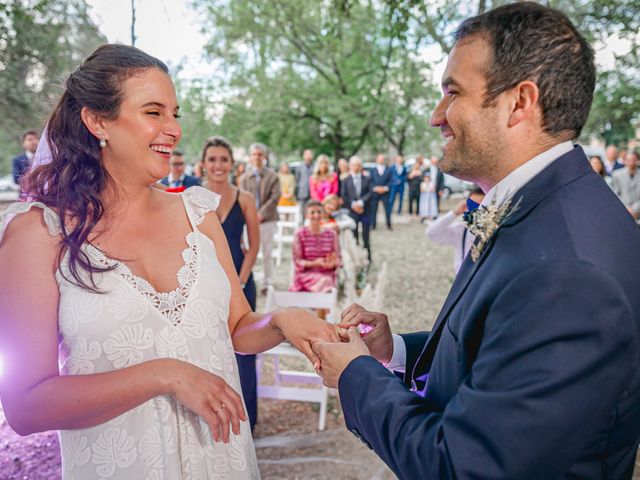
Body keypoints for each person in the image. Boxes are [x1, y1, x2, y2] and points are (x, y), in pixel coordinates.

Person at [311, 4, 640, 479]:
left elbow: (464, 467)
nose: (436, 116)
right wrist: (392, 353)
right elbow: (505, 347)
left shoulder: (568, 271)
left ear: (519, 102)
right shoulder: (542, 205)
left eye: (452, 93)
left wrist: (354, 375)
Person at [0, 44, 338, 480]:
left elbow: (237, 328)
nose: (173, 129)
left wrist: (281, 321)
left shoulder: (199, 215)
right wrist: (164, 375)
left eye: (175, 113)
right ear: (97, 120)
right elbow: (26, 405)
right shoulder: (39, 233)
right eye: (154, 112)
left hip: (221, 461)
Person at [200, 136, 261, 432]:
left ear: (232, 165)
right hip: (206, 286)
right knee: (210, 348)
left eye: (223, 159)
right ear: (203, 164)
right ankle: (217, 416)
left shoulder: (245, 199)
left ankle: (248, 418)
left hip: (241, 281)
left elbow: (254, 245)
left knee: (245, 351)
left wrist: (240, 280)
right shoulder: (192, 197)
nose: (218, 165)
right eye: (212, 159)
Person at [240, 143, 281, 294]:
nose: (257, 157)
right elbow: (242, 197)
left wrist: (261, 214)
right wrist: (250, 215)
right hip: (249, 221)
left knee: (267, 251)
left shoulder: (272, 176)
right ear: (250, 157)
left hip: (268, 220)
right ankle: (248, 279)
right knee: (249, 252)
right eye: (254, 154)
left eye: (259, 154)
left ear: (264, 157)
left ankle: (267, 282)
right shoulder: (244, 178)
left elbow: (275, 197)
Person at [426, 186, 484, 273]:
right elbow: (431, 232)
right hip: (463, 277)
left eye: (480, 206)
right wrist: (454, 213)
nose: (475, 211)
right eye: (471, 205)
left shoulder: (497, 231)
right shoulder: (461, 229)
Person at [290, 200, 341, 295]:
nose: (316, 215)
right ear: (306, 215)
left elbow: (338, 258)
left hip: (327, 275)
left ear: (323, 214)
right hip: (305, 276)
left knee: (327, 281)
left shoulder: (332, 234)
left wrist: (333, 263)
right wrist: (315, 263)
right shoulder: (300, 234)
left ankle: (321, 308)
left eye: (319, 212)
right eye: (312, 212)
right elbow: (297, 261)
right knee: (325, 282)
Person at [340, 156, 372, 262]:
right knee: (354, 234)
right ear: (350, 166)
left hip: (365, 211)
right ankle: (356, 256)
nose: (356, 167)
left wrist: (361, 203)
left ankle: (368, 256)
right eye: (354, 165)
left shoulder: (367, 179)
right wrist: (353, 204)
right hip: (352, 211)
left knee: (366, 234)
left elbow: (370, 192)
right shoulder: (345, 180)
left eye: (358, 165)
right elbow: (344, 195)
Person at [611, 150, 640, 220]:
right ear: (624, 161)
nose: (631, 162)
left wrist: (635, 209)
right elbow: (615, 194)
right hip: (623, 211)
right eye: (628, 160)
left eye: (633, 160)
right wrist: (626, 208)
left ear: (638, 160)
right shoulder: (616, 174)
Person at [370, 153, 392, 230]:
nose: (381, 160)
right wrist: (376, 188)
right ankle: (373, 224)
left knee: (387, 209)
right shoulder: (372, 170)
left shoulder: (388, 169)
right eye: (379, 159)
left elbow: (391, 181)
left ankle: (389, 224)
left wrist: (385, 188)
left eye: (382, 159)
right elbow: (370, 181)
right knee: (373, 209)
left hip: (385, 193)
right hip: (375, 193)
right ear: (377, 160)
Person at [295, 148, 314, 212]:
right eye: (307, 155)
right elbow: (297, 180)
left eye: (310, 154)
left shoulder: (314, 166)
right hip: (302, 193)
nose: (308, 156)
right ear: (304, 156)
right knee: (302, 212)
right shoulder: (299, 167)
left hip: (312, 193)